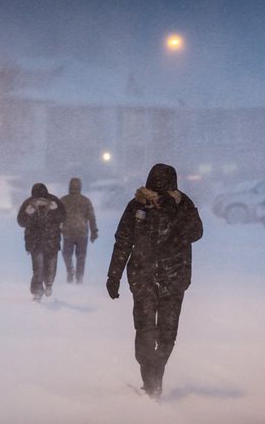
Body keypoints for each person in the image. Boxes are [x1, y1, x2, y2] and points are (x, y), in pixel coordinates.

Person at [106, 163, 203, 399]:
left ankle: (156, 372)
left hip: (174, 278)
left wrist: (176, 212)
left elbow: (196, 232)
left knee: (167, 335)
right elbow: (123, 240)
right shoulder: (137, 205)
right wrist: (114, 275)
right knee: (145, 330)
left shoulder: (183, 204)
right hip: (143, 278)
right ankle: (150, 379)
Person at [17, 183, 66, 302]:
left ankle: (48, 284)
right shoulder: (28, 203)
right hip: (37, 242)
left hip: (51, 241)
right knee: (38, 268)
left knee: (50, 268)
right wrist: (28, 213)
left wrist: (55, 211)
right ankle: (37, 292)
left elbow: (63, 217)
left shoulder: (54, 201)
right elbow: (21, 221)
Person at [60, 177, 98, 284]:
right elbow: (91, 217)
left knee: (67, 254)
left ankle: (70, 269)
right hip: (82, 232)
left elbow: (58, 217)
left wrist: (57, 229)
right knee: (81, 256)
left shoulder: (63, 200)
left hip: (68, 232)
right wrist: (94, 231)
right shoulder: (85, 201)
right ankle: (79, 277)